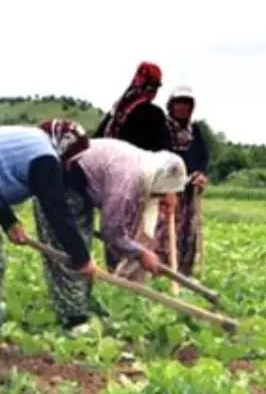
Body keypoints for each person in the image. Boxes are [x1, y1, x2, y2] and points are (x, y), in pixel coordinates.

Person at [0, 120, 98, 335]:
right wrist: (82, 258)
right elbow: (57, 211)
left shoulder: (31, 142)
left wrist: (9, 222)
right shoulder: (45, 157)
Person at [56, 138, 187, 285]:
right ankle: (72, 302)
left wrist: (169, 192)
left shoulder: (147, 166)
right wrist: (141, 253)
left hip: (84, 182)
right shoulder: (126, 185)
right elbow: (111, 231)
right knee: (74, 255)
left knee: (81, 249)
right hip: (63, 182)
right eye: (160, 194)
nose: (160, 200)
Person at [156, 86, 210, 276]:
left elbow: (202, 157)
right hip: (168, 188)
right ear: (171, 105)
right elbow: (160, 156)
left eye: (187, 104)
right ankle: (163, 271)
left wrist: (200, 174)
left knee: (189, 231)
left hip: (189, 190)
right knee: (166, 231)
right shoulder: (162, 128)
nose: (182, 107)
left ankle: (184, 273)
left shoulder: (194, 130)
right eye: (179, 103)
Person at [93, 61, 173, 152]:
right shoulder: (154, 115)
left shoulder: (116, 111)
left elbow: (96, 141)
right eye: (153, 86)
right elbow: (164, 152)